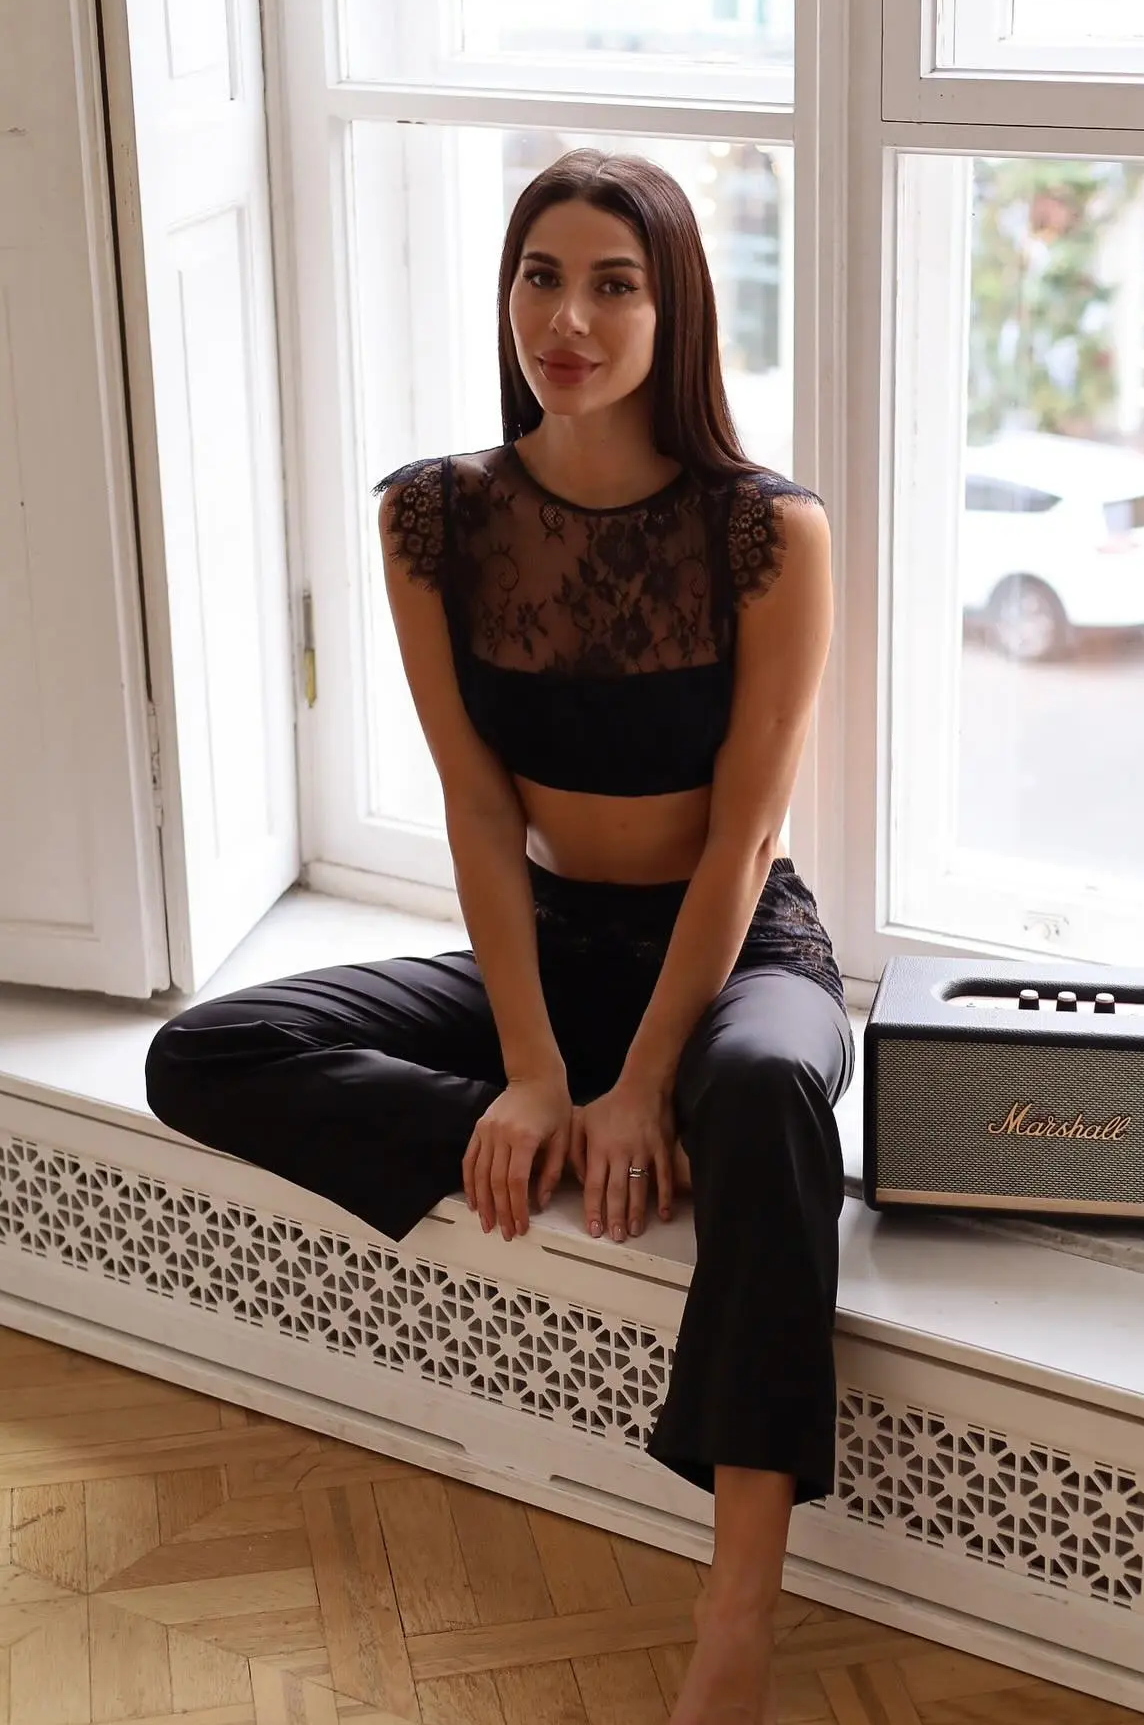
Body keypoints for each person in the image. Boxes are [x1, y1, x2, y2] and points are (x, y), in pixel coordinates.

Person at [145, 148, 853, 1725]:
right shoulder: (433, 518)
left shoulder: (767, 532)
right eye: (542, 277)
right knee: (208, 1050)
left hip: (739, 955)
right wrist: (533, 1078)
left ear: (675, 310)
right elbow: (478, 812)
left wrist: (647, 1075)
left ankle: (737, 1616)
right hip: (549, 947)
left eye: (615, 284)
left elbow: (743, 841)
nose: (569, 320)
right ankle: (554, 1138)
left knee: (764, 1096)